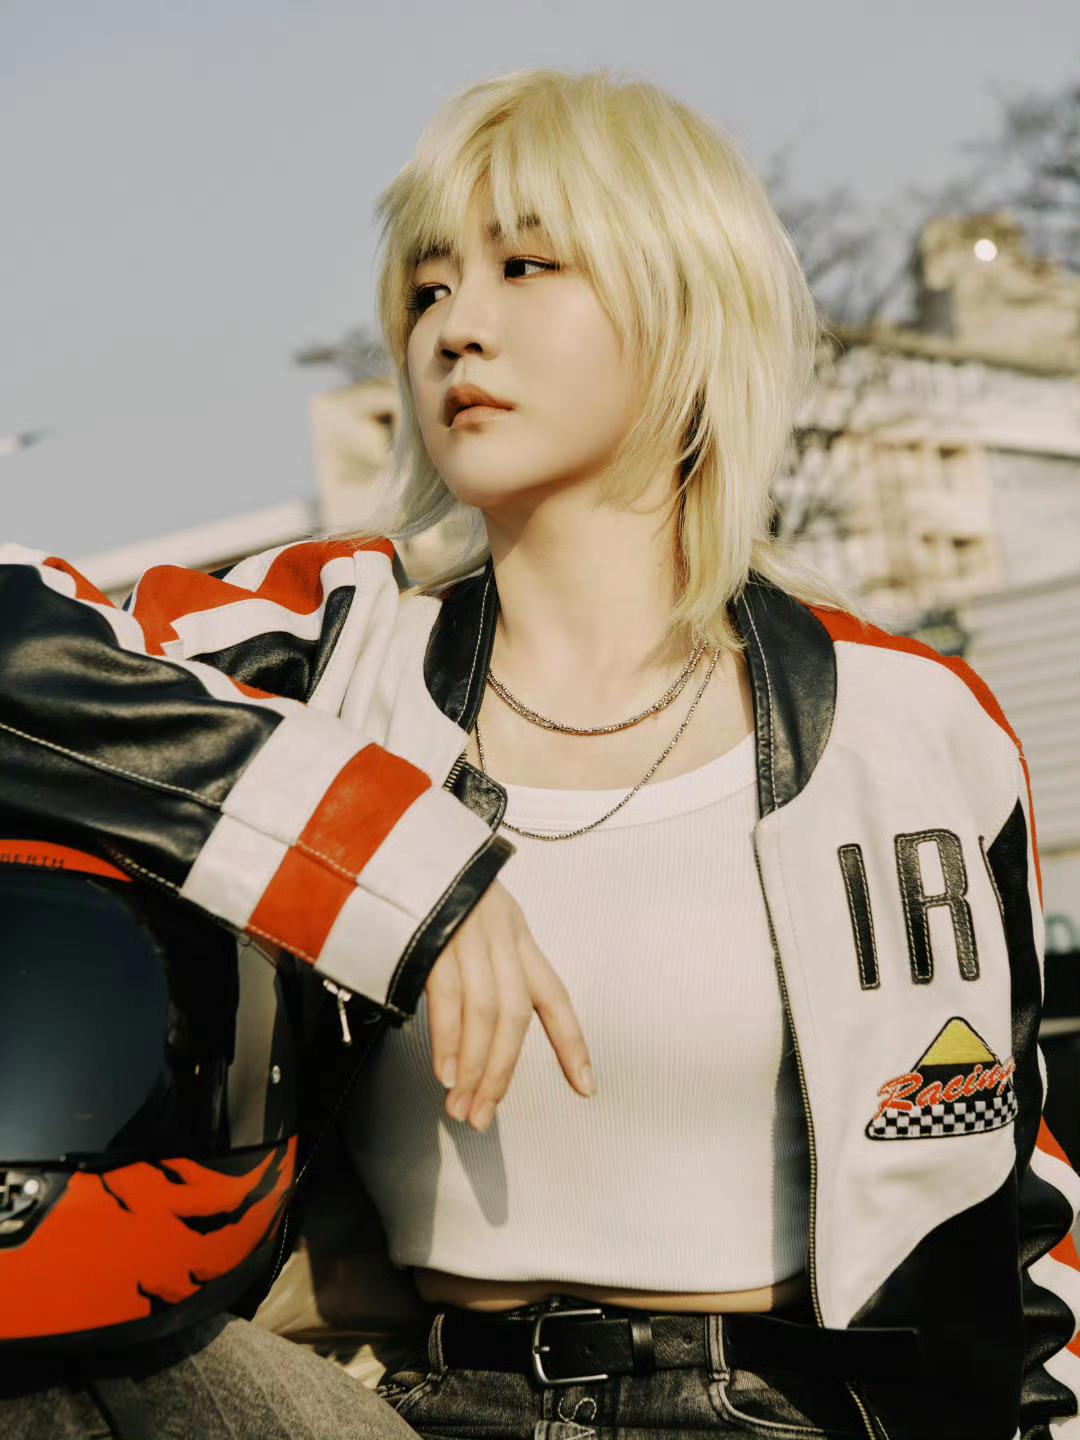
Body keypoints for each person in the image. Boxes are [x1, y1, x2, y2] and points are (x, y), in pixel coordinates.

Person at [1, 63, 1078, 1440]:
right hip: (405, 1407)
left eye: (525, 267)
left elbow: (1012, 1193)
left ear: (686, 301)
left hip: (791, 1411)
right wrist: (387, 863)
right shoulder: (334, 647)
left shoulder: (907, 722)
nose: (456, 328)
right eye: (428, 288)